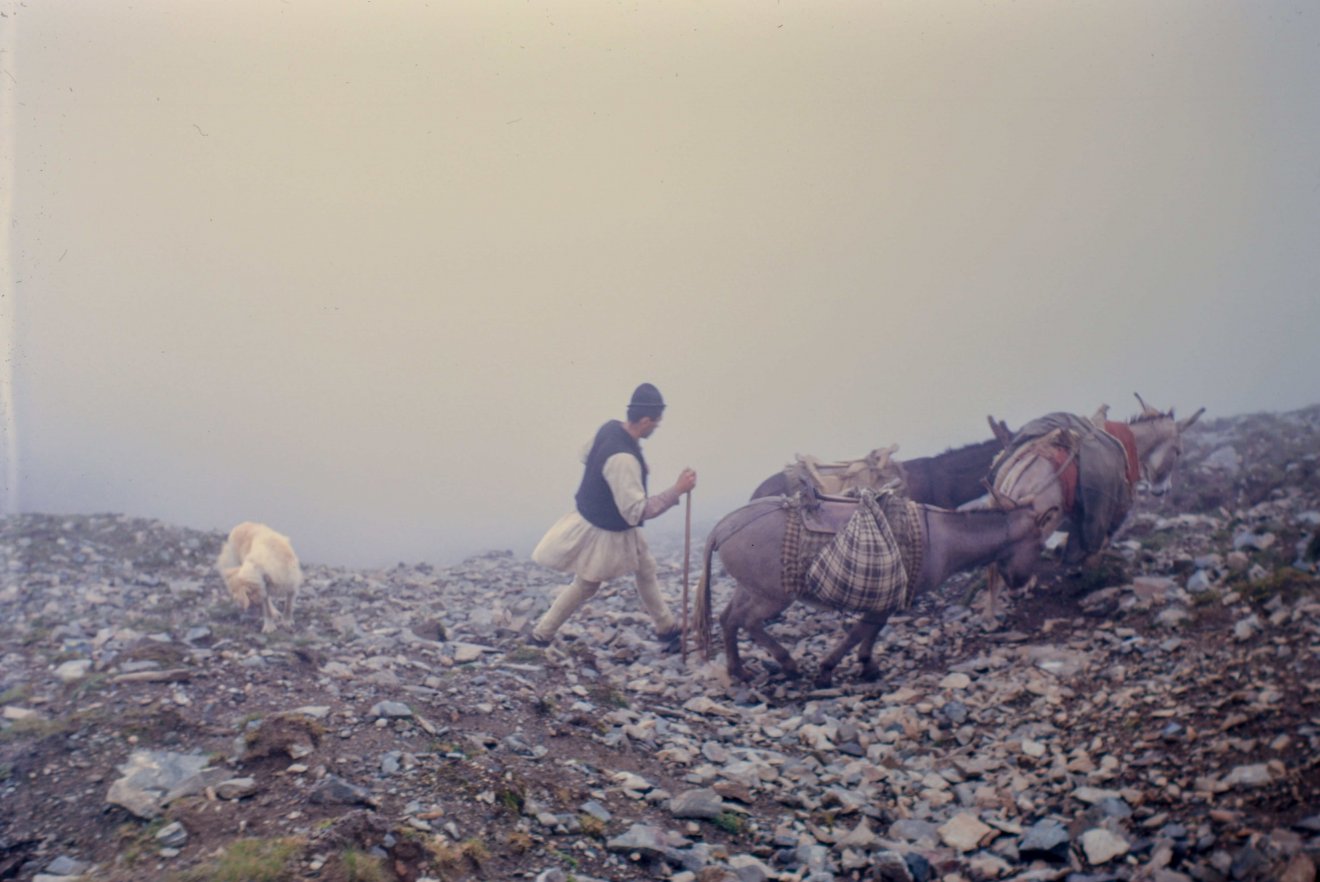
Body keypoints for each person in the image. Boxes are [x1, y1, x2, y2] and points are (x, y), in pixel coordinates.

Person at [529, 382, 698, 647]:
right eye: (656, 422)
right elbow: (637, 512)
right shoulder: (623, 460)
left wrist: (611, 477)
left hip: (607, 520)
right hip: (603, 530)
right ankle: (541, 634)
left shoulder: (610, 428)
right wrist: (677, 489)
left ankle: (666, 626)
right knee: (587, 585)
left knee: (646, 568)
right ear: (644, 420)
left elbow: (585, 454)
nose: (656, 427)